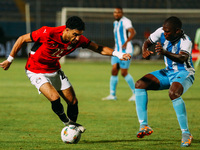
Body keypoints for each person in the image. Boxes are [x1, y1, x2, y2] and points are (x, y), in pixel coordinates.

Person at [0, 16, 131, 133]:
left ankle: (72, 128)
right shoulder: (48, 32)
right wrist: (9, 60)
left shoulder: (78, 40)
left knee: (73, 102)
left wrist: (119, 54)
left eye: (80, 35)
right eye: (75, 34)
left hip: (55, 69)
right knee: (54, 97)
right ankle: (68, 124)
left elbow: (99, 48)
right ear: (66, 30)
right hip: (36, 70)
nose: (77, 38)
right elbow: (22, 38)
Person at [135, 16, 194, 147]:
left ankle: (186, 133)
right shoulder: (160, 31)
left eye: (168, 31)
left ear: (177, 31)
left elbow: (182, 58)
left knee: (173, 93)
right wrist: (145, 51)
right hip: (168, 72)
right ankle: (144, 126)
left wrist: (164, 52)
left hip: (184, 72)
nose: (165, 33)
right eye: (164, 30)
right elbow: (147, 42)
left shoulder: (186, 40)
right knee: (140, 84)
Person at [102, 7, 136, 101]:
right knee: (114, 71)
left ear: (122, 13)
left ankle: (136, 93)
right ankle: (112, 95)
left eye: (118, 12)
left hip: (126, 50)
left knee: (124, 73)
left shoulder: (126, 21)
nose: (116, 14)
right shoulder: (115, 23)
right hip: (117, 50)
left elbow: (133, 32)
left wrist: (126, 42)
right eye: (115, 12)